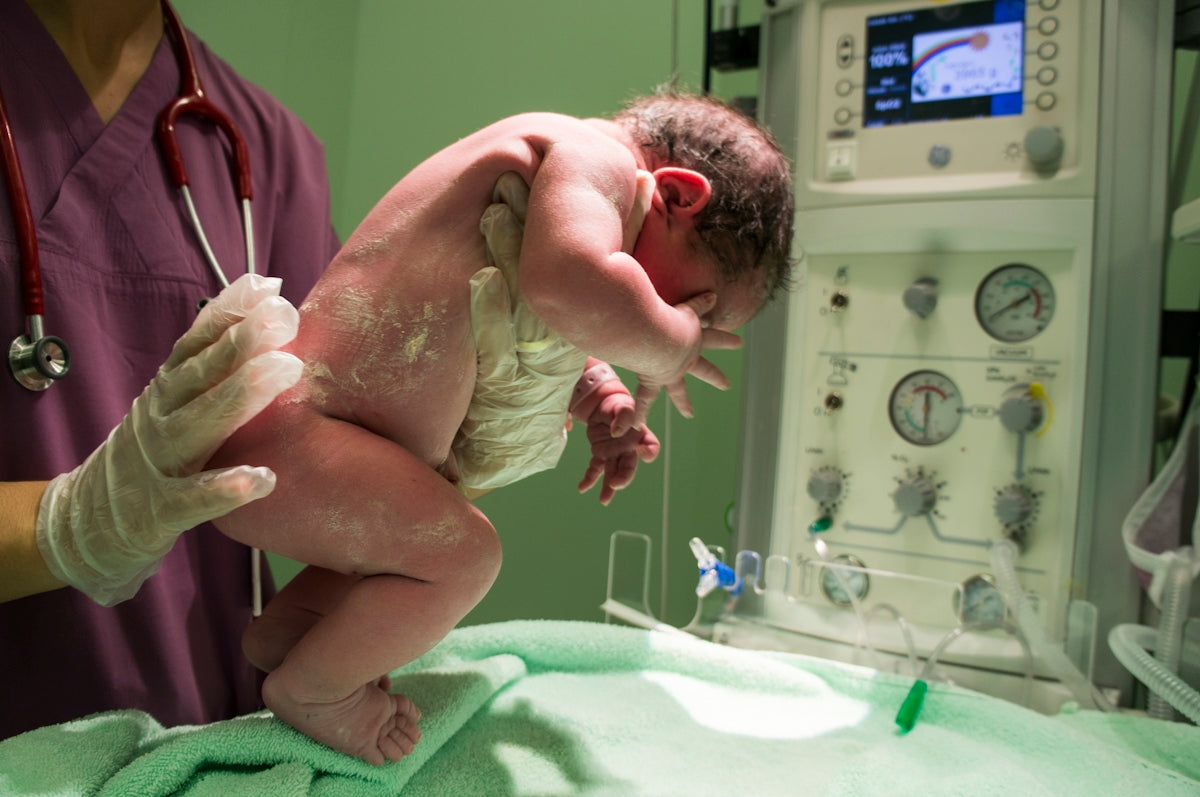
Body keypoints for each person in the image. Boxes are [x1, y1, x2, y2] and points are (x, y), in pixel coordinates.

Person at [207, 91, 795, 765]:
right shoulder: (594, 155)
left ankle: (297, 636)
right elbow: (570, 283)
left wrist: (599, 391)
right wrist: (672, 344)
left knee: (424, 527)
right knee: (463, 556)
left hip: (324, 444)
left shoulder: (552, 202)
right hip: (303, 430)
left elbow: (531, 329)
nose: (668, 320)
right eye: (685, 303)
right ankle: (318, 691)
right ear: (676, 195)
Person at [0, 0, 339, 741]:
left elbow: (344, 461)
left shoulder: (266, 148)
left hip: (206, 747)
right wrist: (72, 526)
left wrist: (501, 387)